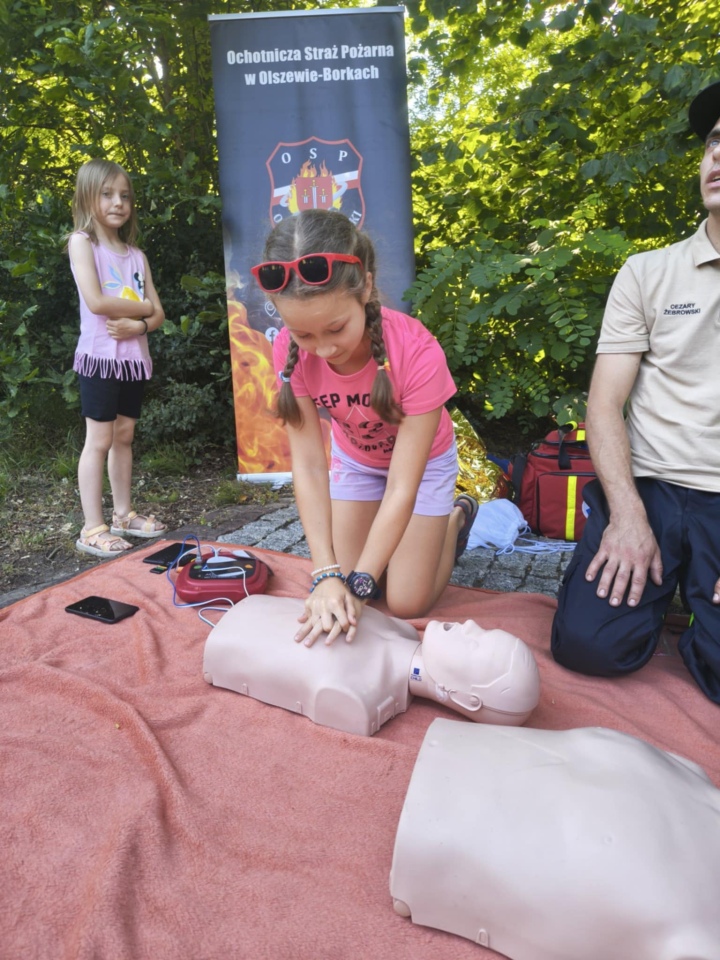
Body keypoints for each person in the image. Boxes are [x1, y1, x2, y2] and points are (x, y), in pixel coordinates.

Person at [551, 81, 720, 704]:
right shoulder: (647, 272)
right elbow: (603, 405)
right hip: (649, 486)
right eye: (713, 143)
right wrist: (626, 514)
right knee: (589, 649)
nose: (718, 156)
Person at [251, 209, 478, 645]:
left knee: (406, 601)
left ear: (367, 288)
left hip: (420, 468)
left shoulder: (416, 350)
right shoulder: (287, 351)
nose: (324, 348)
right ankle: (406, 546)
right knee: (356, 583)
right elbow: (311, 468)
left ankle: (453, 519)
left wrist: (357, 584)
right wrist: (325, 573)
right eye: (304, 335)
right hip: (357, 462)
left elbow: (401, 488)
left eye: (336, 328)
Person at [67, 159, 166, 557]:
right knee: (100, 439)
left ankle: (124, 514)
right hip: (100, 358)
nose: (117, 203)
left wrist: (138, 326)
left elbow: (157, 314)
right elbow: (95, 301)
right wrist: (141, 309)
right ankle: (92, 527)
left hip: (133, 359)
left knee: (124, 436)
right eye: (107, 194)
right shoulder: (82, 243)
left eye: (124, 196)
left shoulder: (136, 256)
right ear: (88, 197)